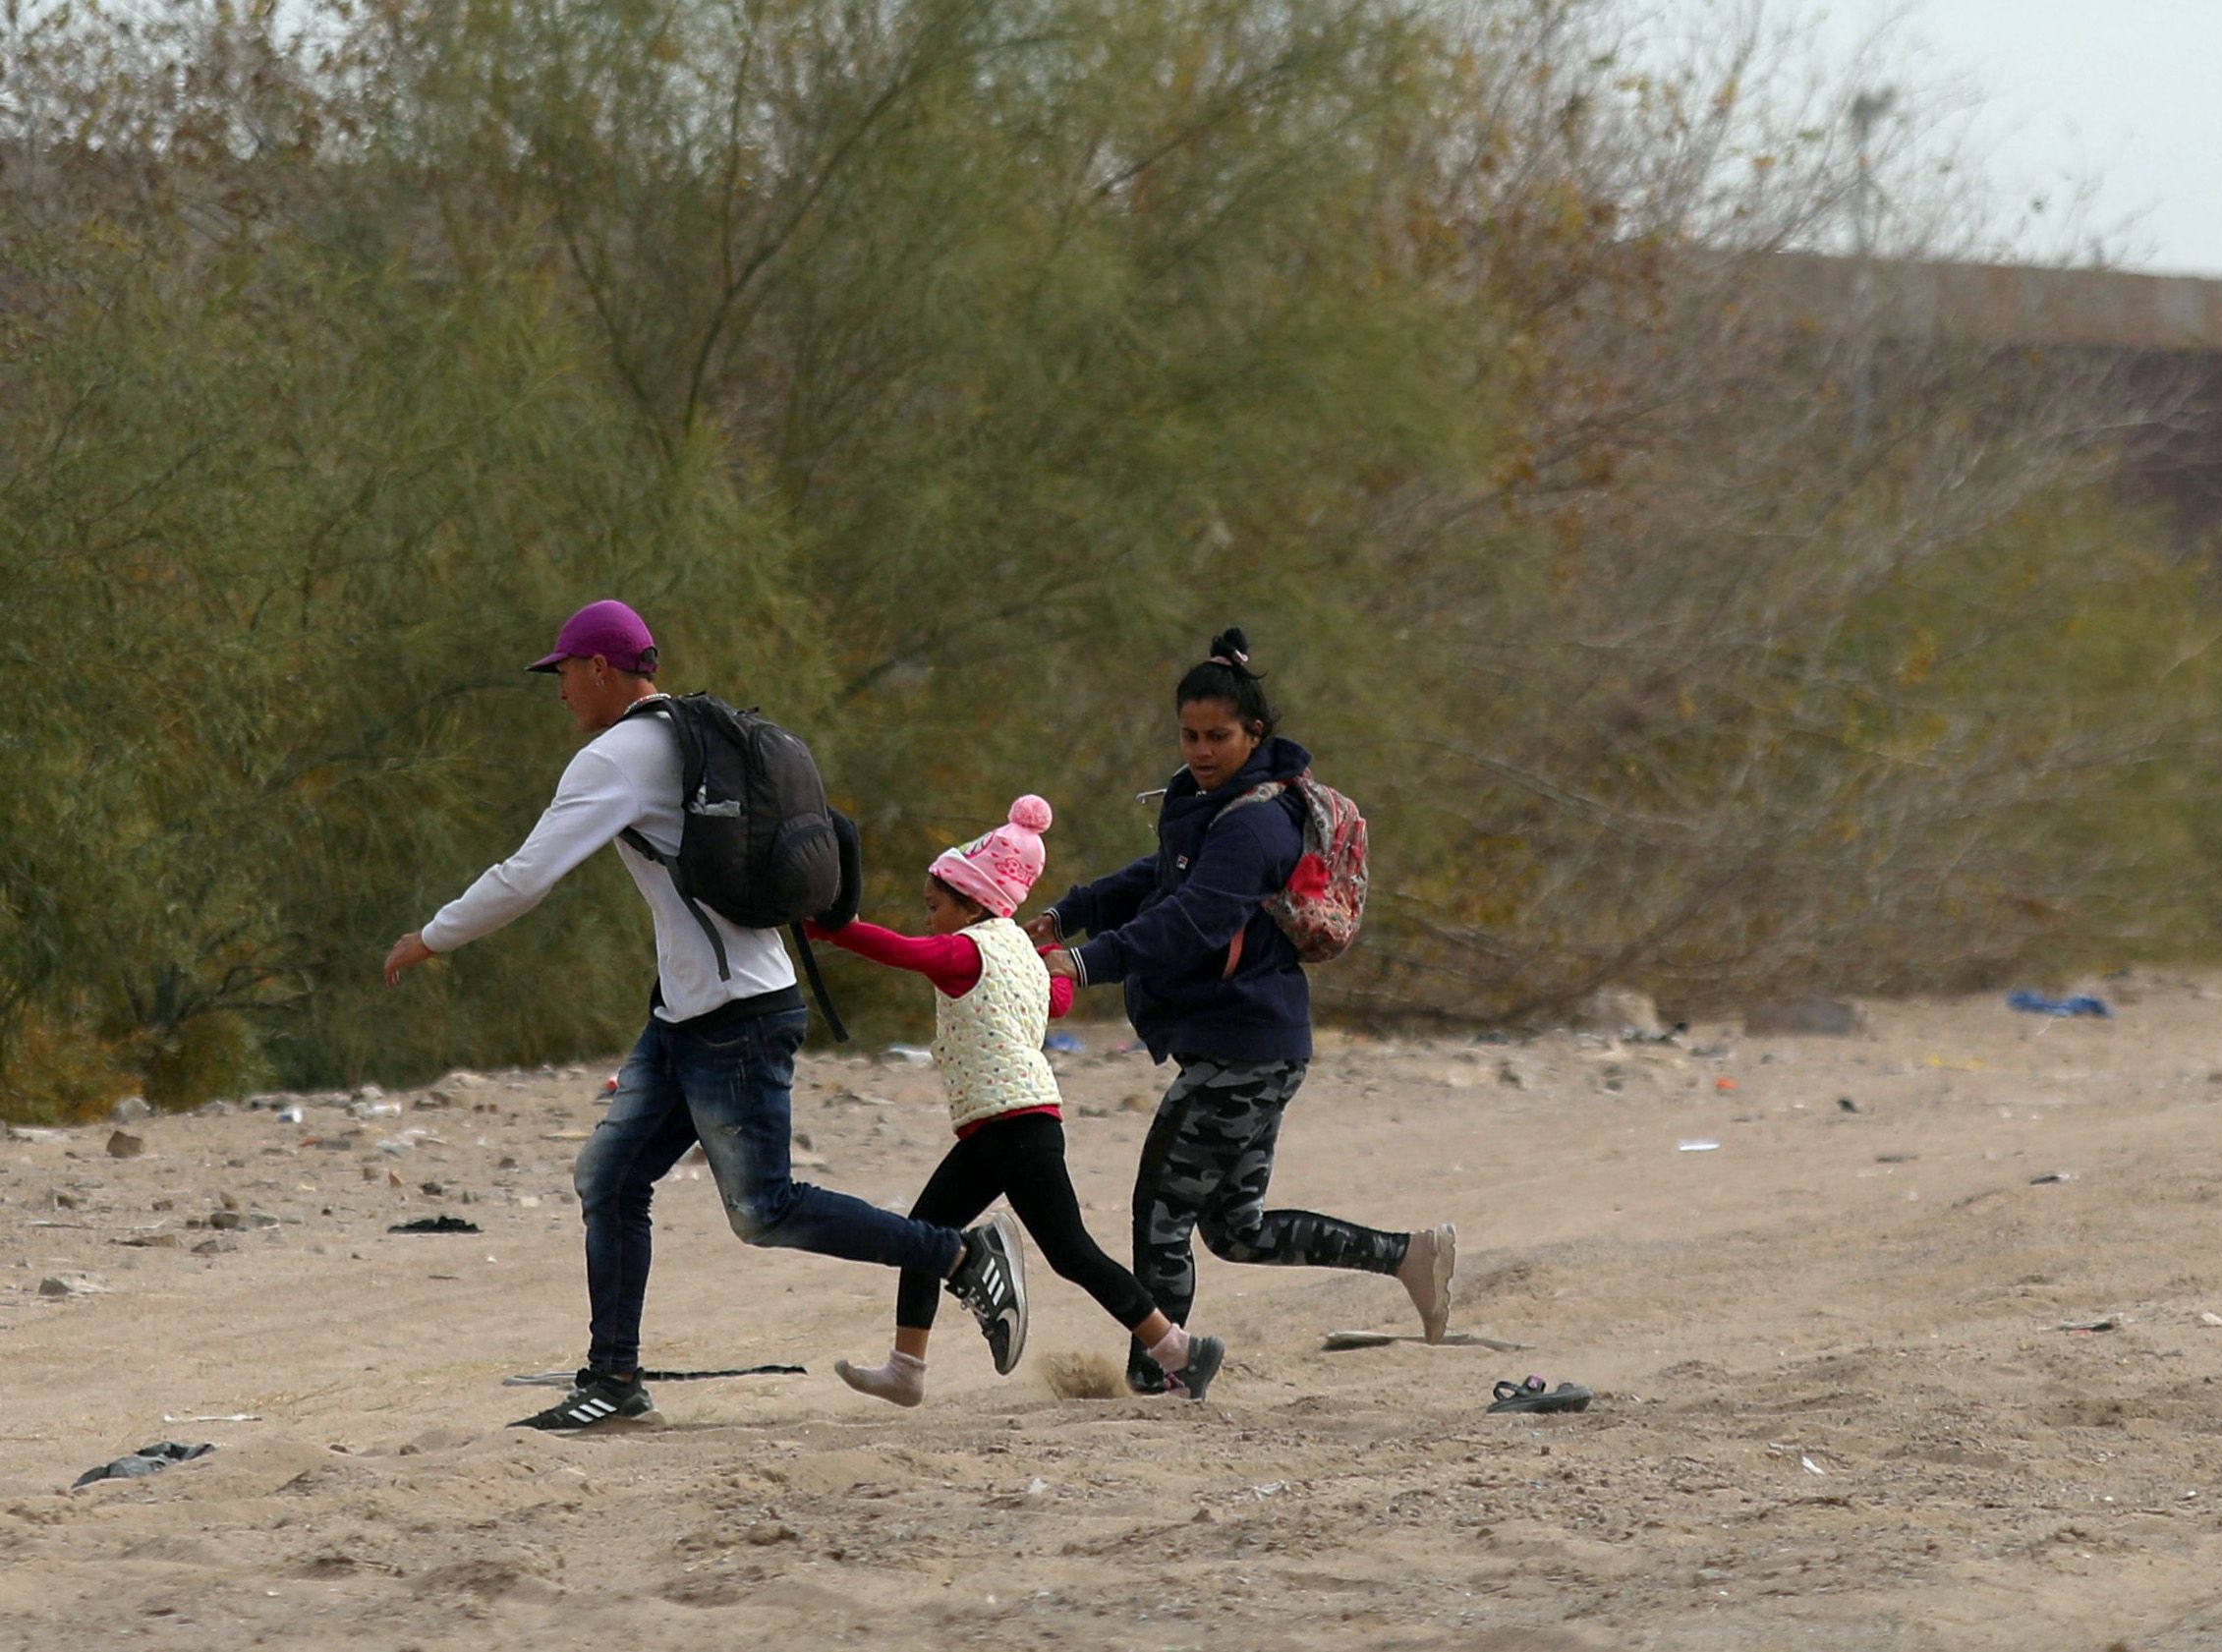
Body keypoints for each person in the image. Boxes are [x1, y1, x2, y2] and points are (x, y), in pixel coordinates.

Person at [384, 599, 1028, 1432]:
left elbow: (525, 875)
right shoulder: (691, 735)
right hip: (690, 1013)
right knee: (610, 1177)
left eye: (564, 673)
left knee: (765, 1209)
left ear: (602, 670)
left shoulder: (617, 757)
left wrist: (430, 938)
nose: (560, 691)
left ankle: (960, 1253)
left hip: (738, 1016)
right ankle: (613, 1380)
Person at [1039, 628, 1453, 1390]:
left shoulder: (1256, 822)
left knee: (1160, 1210)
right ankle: (1408, 1255)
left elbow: (1189, 917)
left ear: (1253, 733)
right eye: (1190, 735)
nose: (1200, 749)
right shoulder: (1204, 802)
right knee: (1236, 1228)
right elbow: (1155, 875)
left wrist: (1084, 962)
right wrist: (1069, 914)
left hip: (1247, 1047)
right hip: (1252, 1041)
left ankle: (1162, 1374)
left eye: (1217, 736)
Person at [822, 794, 1229, 1406]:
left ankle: (1179, 1350)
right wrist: (1046, 969)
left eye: (935, 907)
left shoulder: (965, 952)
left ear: (970, 902)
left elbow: (898, 951)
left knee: (1069, 1252)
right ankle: (907, 1368)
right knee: (924, 1234)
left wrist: (822, 925)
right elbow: (1056, 1002)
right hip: (1004, 1124)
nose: (930, 919)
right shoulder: (1020, 954)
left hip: (1014, 1127)